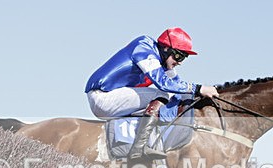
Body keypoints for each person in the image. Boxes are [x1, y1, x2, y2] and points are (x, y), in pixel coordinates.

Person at [85, 27, 218, 159]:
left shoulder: (162, 63)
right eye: (179, 55)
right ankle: (139, 147)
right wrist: (199, 88)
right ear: (166, 48)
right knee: (162, 94)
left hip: (115, 97)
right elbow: (164, 84)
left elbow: (177, 86)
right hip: (102, 97)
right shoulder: (143, 46)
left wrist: (198, 95)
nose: (180, 62)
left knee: (171, 97)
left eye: (184, 57)